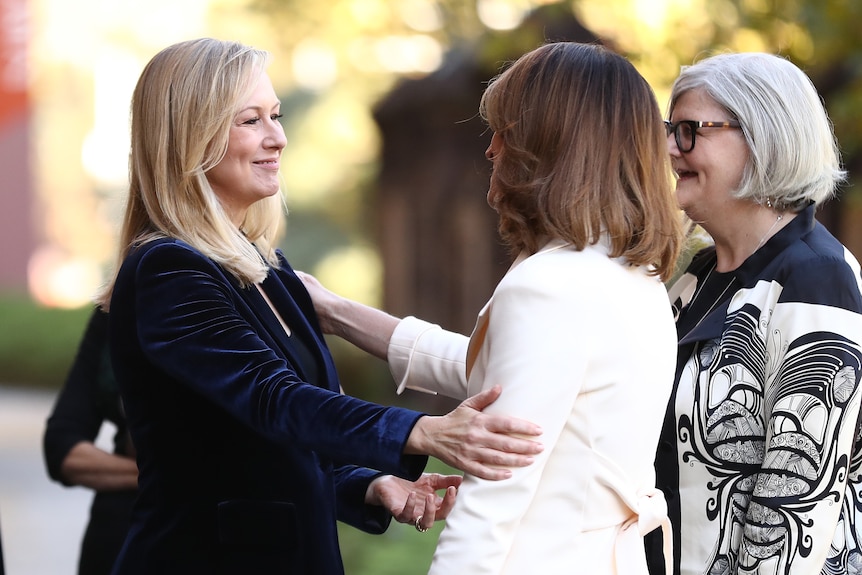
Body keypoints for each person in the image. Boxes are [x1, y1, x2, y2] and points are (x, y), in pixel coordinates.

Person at [95, 38, 544, 575]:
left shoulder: (265, 266)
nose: (278, 137)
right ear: (191, 137)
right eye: (251, 121)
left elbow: (265, 444)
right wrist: (420, 431)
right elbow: (273, 399)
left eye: (276, 116)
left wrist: (371, 485)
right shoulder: (169, 269)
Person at [298, 41, 685, 574]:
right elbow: (495, 371)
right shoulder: (628, 276)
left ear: (548, 147)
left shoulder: (550, 288)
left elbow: (491, 503)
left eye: (506, 131)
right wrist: (335, 310)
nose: (491, 149)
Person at [644, 52, 862, 575]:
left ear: (764, 136)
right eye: (669, 130)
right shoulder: (696, 275)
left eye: (690, 130)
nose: (671, 148)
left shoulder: (815, 277)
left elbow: (794, 500)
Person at [44, 307, 137, 575]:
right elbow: (61, 449)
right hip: (117, 529)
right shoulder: (112, 310)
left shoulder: (226, 299)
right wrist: (150, 476)